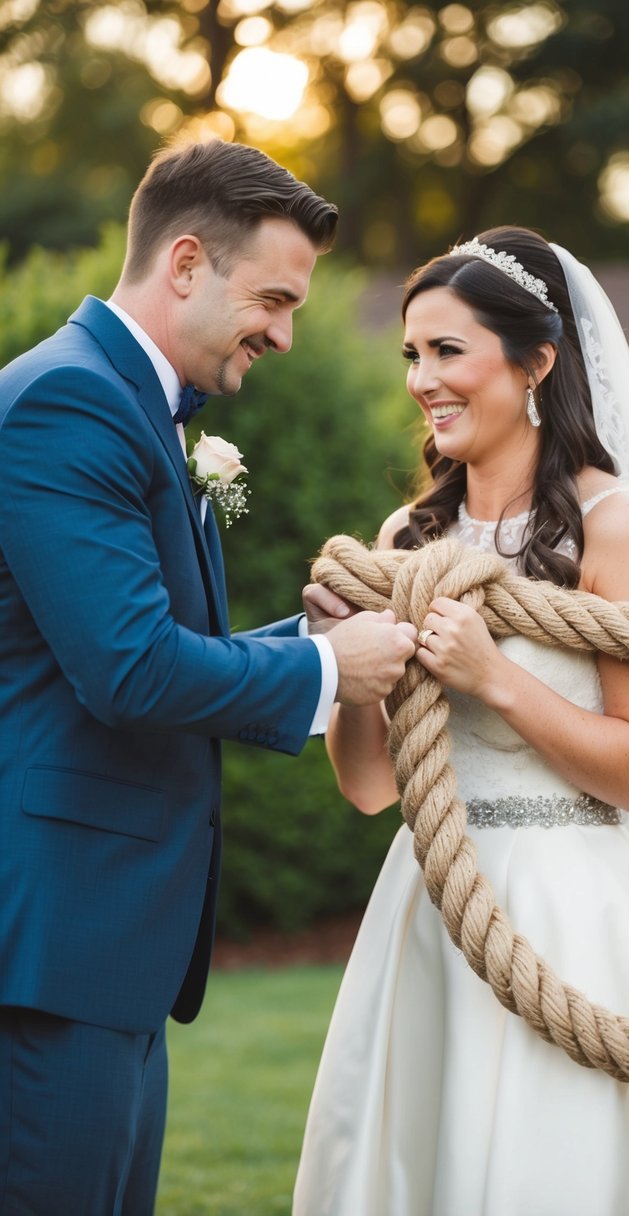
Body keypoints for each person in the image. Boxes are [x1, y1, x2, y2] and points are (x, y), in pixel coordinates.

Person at [292, 230, 629, 1215]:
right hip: (429, 909)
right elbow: (369, 786)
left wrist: (498, 679)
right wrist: (348, 663)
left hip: (576, 916)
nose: (422, 378)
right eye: (411, 353)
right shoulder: (404, 541)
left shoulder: (616, 528)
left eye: (448, 350)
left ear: (535, 361)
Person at [0, 136, 417, 1215]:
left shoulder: (133, 403)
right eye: (273, 299)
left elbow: (125, 639)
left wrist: (300, 634)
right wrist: (329, 669)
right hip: (51, 943)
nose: (283, 333)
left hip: (108, 947)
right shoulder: (68, 402)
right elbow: (130, 671)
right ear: (186, 263)